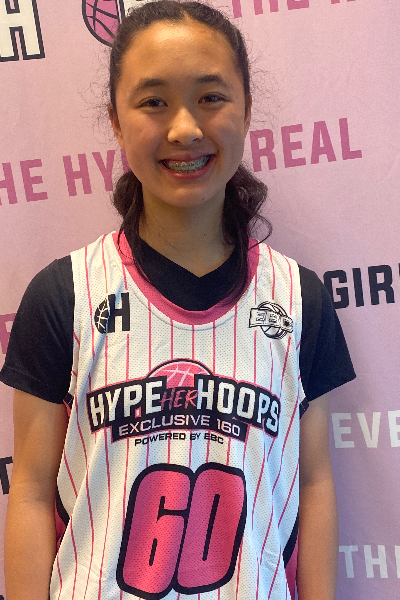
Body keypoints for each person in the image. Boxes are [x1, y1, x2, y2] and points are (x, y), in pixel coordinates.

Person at [0, 2, 355, 599]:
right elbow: (31, 494)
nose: (185, 128)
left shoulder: (300, 300)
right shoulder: (64, 295)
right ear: (116, 121)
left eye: (211, 97)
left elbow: (314, 484)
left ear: (247, 109)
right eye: (154, 101)